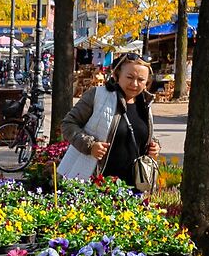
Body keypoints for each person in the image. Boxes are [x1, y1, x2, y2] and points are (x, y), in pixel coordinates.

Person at [60, 51, 159, 192]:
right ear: (117, 75)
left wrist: (155, 146)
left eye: (141, 80)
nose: (135, 84)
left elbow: (140, 133)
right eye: (129, 77)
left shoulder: (145, 103)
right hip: (96, 183)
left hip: (134, 187)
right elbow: (68, 124)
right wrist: (90, 145)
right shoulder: (97, 95)